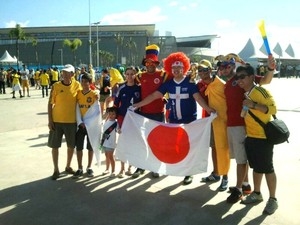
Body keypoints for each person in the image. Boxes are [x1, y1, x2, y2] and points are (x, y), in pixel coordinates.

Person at [133, 52, 214, 185]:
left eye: (179, 68)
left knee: (189, 147)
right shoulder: (168, 84)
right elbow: (154, 95)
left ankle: (189, 173)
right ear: (171, 69)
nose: (176, 71)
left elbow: (198, 98)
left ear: (184, 69)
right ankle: (172, 168)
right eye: (174, 68)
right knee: (174, 146)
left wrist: (208, 109)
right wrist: (138, 104)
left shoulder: (190, 83)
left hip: (189, 122)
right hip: (173, 121)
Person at [220, 54, 276, 203]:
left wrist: (270, 68)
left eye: (228, 65)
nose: (225, 69)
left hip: (242, 127)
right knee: (240, 159)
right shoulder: (232, 83)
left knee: (242, 161)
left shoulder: (246, 80)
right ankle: (245, 185)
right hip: (231, 125)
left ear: (234, 65)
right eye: (222, 67)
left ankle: (239, 189)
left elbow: (266, 80)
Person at [235, 64, 278, 215]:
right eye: (237, 77)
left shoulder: (260, 91)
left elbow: (273, 109)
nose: (239, 80)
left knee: (268, 169)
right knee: (256, 168)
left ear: (252, 77)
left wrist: (253, 105)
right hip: (251, 137)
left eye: (242, 77)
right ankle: (257, 193)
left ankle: (273, 199)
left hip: (264, 138)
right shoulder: (246, 93)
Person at [132, 44, 169, 179]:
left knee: (157, 142)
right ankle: (140, 167)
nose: (150, 65)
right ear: (145, 64)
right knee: (143, 142)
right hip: (144, 113)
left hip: (158, 113)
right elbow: (129, 83)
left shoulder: (164, 75)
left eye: (152, 62)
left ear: (156, 63)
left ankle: (156, 167)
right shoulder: (140, 76)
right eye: (147, 62)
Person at [197, 59, 230, 191]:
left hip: (222, 121)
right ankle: (216, 173)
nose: (202, 72)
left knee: (223, 149)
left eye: (205, 70)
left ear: (210, 70)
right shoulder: (200, 85)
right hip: (209, 121)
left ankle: (225, 177)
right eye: (200, 70)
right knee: (214, 148)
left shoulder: (221, 84)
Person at [48, 64, 82, 180]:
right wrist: (50, 120)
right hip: (56, 121)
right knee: (55, 146)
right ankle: (56, 169)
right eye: (64, 72)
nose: (65, 75)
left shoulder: (77, 85)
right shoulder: (56, 86)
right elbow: (50, 103)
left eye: (68, 73)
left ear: (73, 74)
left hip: (71, 122)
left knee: (71, 146)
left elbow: (83, 97)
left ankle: (68, 166)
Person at [114, 66, 141, 178]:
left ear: (135, 75)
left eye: (132, 74)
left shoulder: (139, 88)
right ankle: (121, 169)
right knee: (123, 143)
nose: (129, 76)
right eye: (127, 74)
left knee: (133, 144)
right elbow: (116, 105)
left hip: (134, 120)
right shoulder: (121, 88)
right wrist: (116, 121)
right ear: (125, 75)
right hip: (122, 118)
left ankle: (130, 167)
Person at [73, 73, 101, 178]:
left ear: (90, 83)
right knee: (79, 147)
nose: (84, 84)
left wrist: (90, 123)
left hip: (91, 125)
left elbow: (96, 111)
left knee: (91, 146)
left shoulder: (94, 94)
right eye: (82, 81)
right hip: (81, 125)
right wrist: (80, 122)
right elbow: (77, 109)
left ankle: (89, 167)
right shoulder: (78, 94)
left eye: (86, 82)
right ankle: (80, 167)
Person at [101, 106, 118, 178]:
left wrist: (119, 130)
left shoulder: (116, 124)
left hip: (111, 143)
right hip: (105, 142)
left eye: (113, 114)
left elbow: (118, 130)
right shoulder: (106, 121)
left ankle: (113, 171)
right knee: (106, 156)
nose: (111, 116)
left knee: (111, 157)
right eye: (110, 114)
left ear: (116, 115)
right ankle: (107, 169)